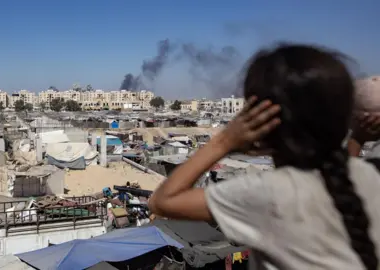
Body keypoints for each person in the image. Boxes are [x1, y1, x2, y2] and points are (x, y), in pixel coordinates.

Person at [148, 44, 380, 270]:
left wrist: (225, 140)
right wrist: (357, 140)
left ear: (261, 124)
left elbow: (162, 201)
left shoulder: (264, 194)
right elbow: (341, 178)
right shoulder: (370, 175)